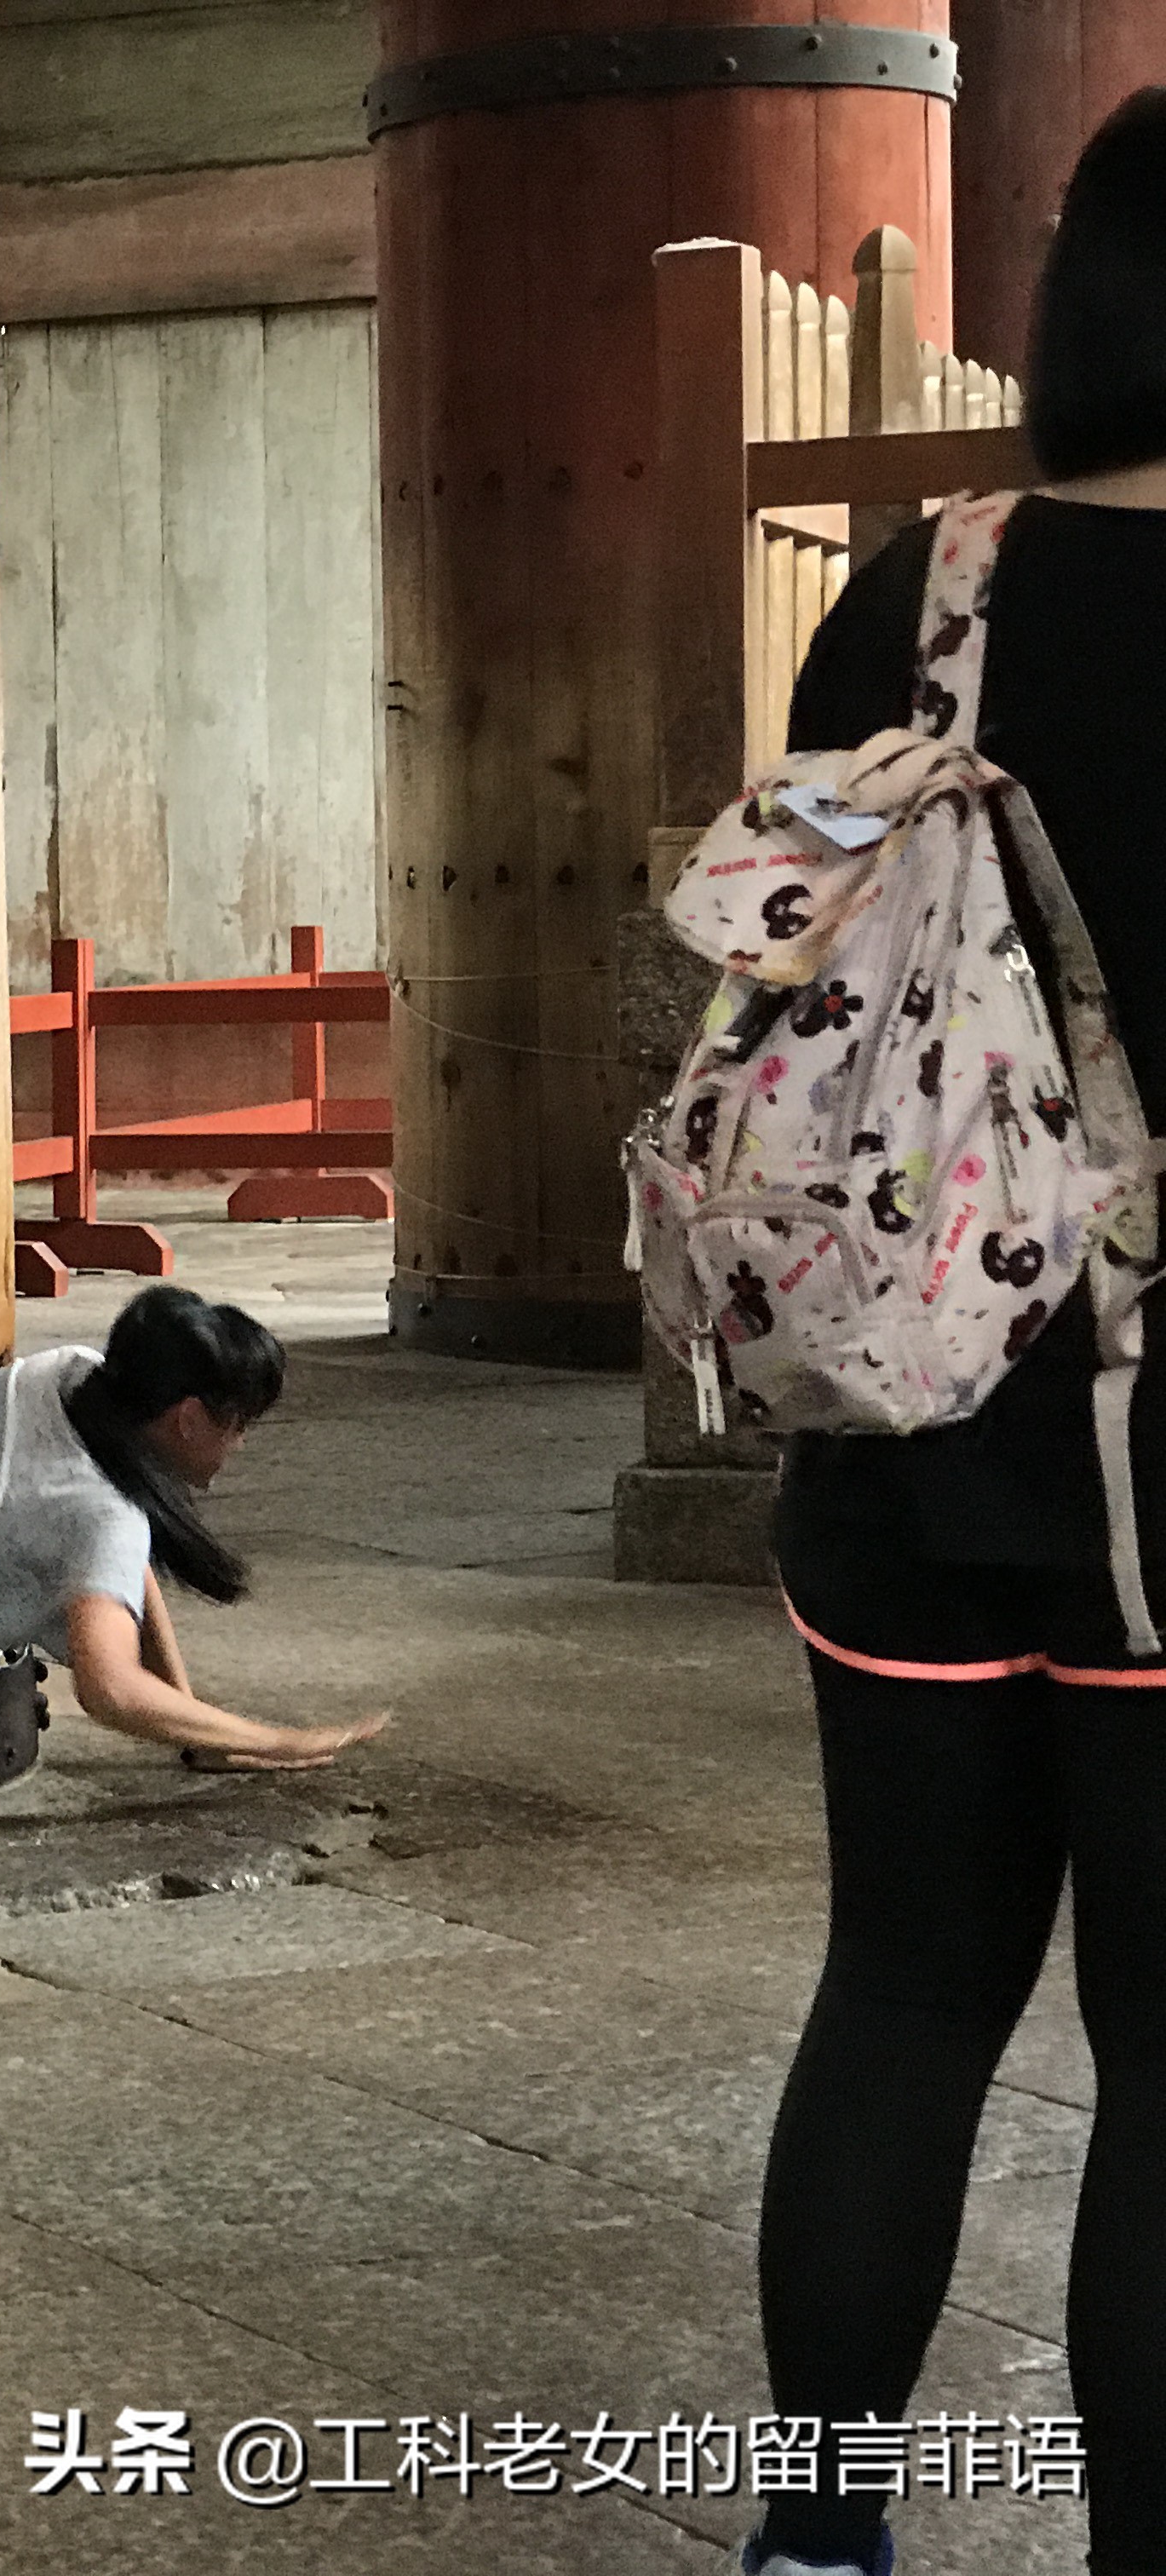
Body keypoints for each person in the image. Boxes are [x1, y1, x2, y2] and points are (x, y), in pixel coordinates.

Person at [742, 90, 1166, 2576]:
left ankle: (818, 2543)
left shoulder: (921, 585)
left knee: (898, 1995)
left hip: (909, 1420)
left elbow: (777, 943)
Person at [0, 1285, 388, 1773]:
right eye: (238, 1425)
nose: (240, 1445)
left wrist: (194, 1724)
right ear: (188, 1419)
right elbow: (111, 1689)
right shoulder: (102, 1516)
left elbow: (126, 1571)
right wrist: (278, 1742)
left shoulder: (71, 1373)